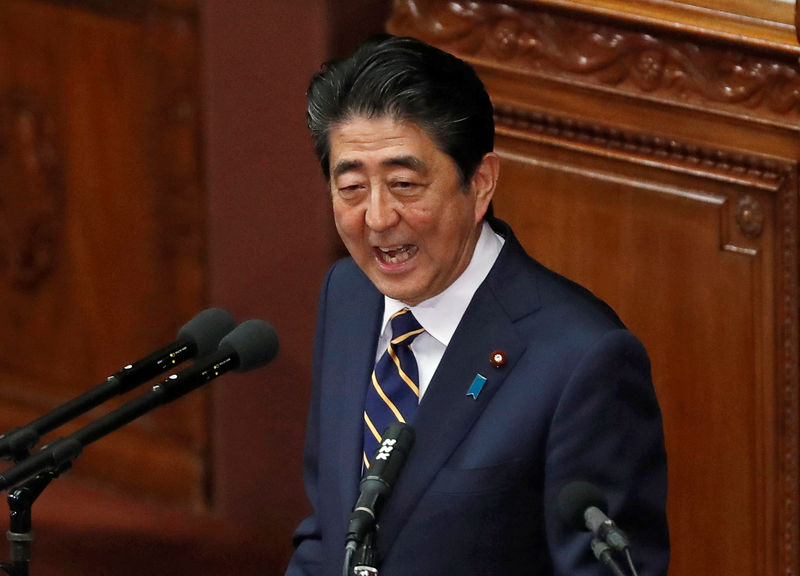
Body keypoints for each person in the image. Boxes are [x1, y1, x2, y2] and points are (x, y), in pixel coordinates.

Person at [286, 34, 669, 576]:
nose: (376, 217)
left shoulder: (583, 360)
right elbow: (329, 533)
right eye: (350, 187)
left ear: (481, 182)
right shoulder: (347, 295)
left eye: (403, 183)